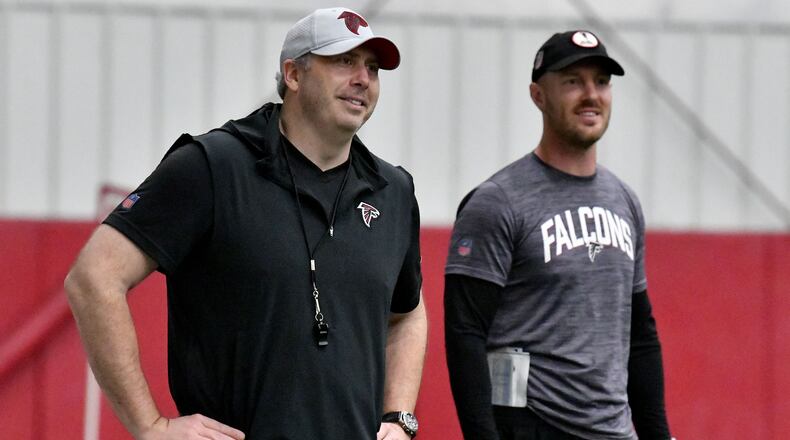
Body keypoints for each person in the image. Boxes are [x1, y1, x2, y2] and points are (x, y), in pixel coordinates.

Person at [65, 7, 427, 440]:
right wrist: (149, 425)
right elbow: (93, 278)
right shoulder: (212, 167)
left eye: (372, 67)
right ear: (293, 74)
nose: (363, 79)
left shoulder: (394, 190)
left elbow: (407, 314)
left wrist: (399, 417)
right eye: (343, 61)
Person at [444, 30, 672, 440]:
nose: (591, 94)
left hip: (615, 431)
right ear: (538, 95)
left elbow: (641, 336)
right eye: (572, 81)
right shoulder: (497, 202)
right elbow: (464, 333)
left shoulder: (625, 202)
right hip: (533, 425)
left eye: (601, 82)